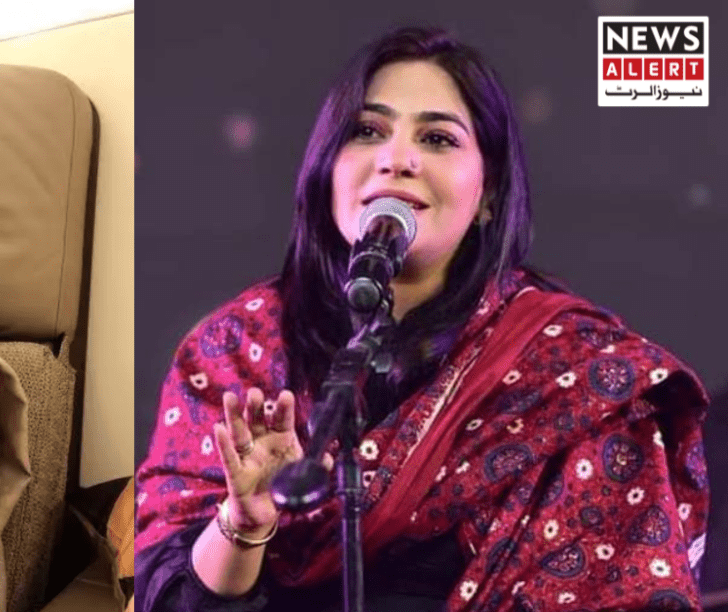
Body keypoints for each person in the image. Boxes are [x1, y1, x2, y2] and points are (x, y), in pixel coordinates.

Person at [135, 26, 710, 611]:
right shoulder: (236, 347)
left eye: (437, 138)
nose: (397, 159)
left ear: (489, 193)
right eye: (367, 131)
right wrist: (244, 522)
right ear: (327, 168)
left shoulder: (575, 367)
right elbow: (170, 598)